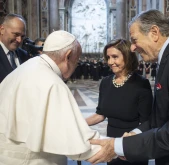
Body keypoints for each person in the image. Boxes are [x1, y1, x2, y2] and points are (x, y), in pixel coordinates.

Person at [88, 9, 169, 165]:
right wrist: (134, 134)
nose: (132, 48)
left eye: (135, 40)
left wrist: (118, 146)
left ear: (154, 32)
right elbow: (160, 116)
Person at [0, 30, 101, 165]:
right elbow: (76, 143)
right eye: (76, 61)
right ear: (68, 56)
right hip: (33, 160)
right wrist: (116, 148)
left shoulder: (24, 68)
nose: (76, 66)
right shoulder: (52, 83)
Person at [86, 38, 153, 165]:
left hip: (132, 145)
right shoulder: (105, 82)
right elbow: (100, 114)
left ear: (128, 56)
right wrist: (79, 124)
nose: (110, 62)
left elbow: (148, 122)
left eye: (115, 57)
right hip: (111, 144)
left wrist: (131, 135)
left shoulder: (141, 84)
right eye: (108, 57)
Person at [0, 13, 30, 83]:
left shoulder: (25, 55)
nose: (19, 40)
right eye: (16, 34)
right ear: (2, 30)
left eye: (22, 36)